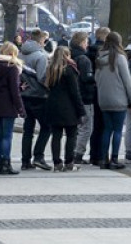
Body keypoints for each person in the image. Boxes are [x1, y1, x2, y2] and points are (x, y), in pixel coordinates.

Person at [95, 32, 131, 170]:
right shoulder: (120, 58)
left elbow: (96, 79)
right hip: (118, 99)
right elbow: (127, 81)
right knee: (117, 130)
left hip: (104, 100)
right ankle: (114, 159)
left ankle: (103, 159)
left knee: (107, 129)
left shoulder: (100, 58)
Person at [44, 46, 86, 171]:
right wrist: (81, 110)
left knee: (56, 135)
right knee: (71, 135)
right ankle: (69, 162)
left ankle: (57, 162)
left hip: (53, 106)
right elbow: (75, 92)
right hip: (69, 107)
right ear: (67, 56)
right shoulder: (69, 70)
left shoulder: (51, 69)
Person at [0, 41, 25, 174]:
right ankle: (6, 164)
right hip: (8, 104)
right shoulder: (12, 67)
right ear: (12, 53)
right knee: (7, 136)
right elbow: (14, 91)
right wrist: (20, 108)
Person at [19, 29, 52, 171]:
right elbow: (42, 77)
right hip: (38, 96)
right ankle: (38, 156)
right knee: (46, 127)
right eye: (44, 40)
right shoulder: (41, 56)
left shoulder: (21, 53)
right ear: (40, 40)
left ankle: (25, 161)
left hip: (24, 94)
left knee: (28, 130)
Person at [68, 32, 96, 164]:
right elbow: (87, 78)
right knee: (86, 127)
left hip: (72, 96)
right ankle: (78, 154)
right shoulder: (84, 59)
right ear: (81, 43)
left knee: (77, 127)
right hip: (85, 97)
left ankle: (72, 152)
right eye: (86, 42)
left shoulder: (69, 55)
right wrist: (95, 78)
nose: (87, 44)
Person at [87, 26, 110, 166]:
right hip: (102, 89)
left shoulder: (89, 50)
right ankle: (102, 155)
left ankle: (93, 154)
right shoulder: (104, 53)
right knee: (104, 125)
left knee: (96, 125)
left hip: (93, 91)